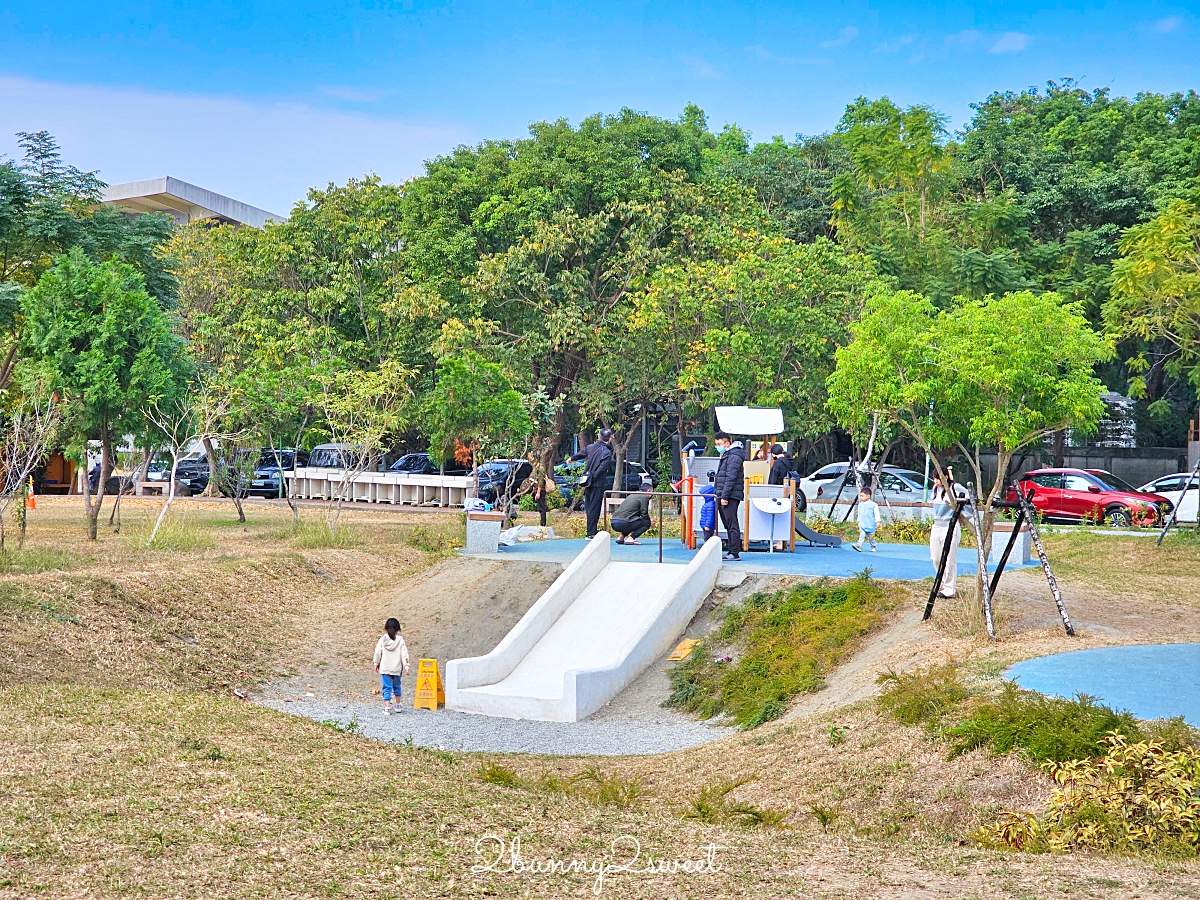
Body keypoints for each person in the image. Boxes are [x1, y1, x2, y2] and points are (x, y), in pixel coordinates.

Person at [569, 429, 614, 539]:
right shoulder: (607, 453)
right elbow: (601, 469)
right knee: (595, 507)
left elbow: (581, 453)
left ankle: (590, 530)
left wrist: (571, 458)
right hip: (597, 483)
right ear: (610, 439)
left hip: (586, 482)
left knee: (589, 507)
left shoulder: (590, 447)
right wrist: (592, 480)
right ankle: (591, 532)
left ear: (598, 437)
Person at [929, 474, 966, 598]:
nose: (936, 481)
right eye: (934, 479)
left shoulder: (955, 487)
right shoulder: (935, 489)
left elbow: (970, 499)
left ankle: (949, 589)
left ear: (945, 476)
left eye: (938, 478)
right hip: (937, 525)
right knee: (935, 557)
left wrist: (963, 516)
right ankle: (943, 583)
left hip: (950, 525)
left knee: (949, 559)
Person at [713, 432, 746, 560]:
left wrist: (724, 497)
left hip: (730, 496)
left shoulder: (733, 457)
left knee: (732, 523)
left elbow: (730, 478)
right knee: (729, 523)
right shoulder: (729, 456)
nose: (718, 447)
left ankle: (734, 552)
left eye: (719, 444)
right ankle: (732, 550)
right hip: (725, 494)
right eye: (716, 444)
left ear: (727, 443)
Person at [372, 617, 410, 716]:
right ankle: (398, 705)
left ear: (386, 628)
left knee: (387, 688)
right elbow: (404, 654)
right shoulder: (400, 640)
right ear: (397, 629)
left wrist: (376, 663)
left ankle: (387, 708)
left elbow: (377, 652)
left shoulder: (383, 640)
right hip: (396, 668)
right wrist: (406, 666)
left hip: (385, 668)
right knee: (397, 686)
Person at [852, 488, 879, 552]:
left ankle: (873, 545)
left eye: (862, 496)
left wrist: (877, 521)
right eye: (860, 496)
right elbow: (859, 513)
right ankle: (859, 545)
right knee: (862, 535)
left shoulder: (874, 505)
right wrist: (858, 520)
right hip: (862, 524)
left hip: (871, 524)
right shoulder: (860, 504)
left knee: (871, 537)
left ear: (868, 496)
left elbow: (876, 514)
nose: (861, 497)